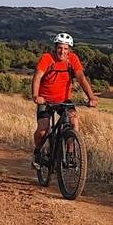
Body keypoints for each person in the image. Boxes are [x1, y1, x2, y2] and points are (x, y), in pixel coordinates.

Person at [31, 32, 97, 164]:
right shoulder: (47, 58)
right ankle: (38, 151)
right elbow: (37, 76)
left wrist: (91, 97)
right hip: (46, 99)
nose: (62, 51)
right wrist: (36, 96)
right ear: (55, 48)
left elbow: (81, 78)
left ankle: (70, 152)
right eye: (60, 48)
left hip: (64, 100)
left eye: (66, 48)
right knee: (43, 131)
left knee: (74, 123)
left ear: (69, 50)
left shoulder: (72, 59)